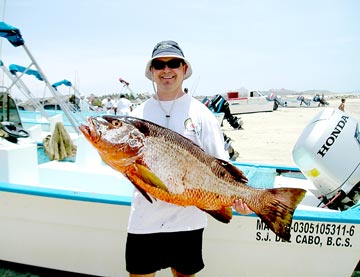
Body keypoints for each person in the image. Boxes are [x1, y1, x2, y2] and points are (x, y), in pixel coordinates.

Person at [127, 40, 252, 277]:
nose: (166, 70)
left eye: (173, 63)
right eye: (159, 64)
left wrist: (241, 198)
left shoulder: (201, 114)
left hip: (188, 222)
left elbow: (221, 165)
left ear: (184, 69)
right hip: (144, 220)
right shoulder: (136, 116)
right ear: (151, 71)